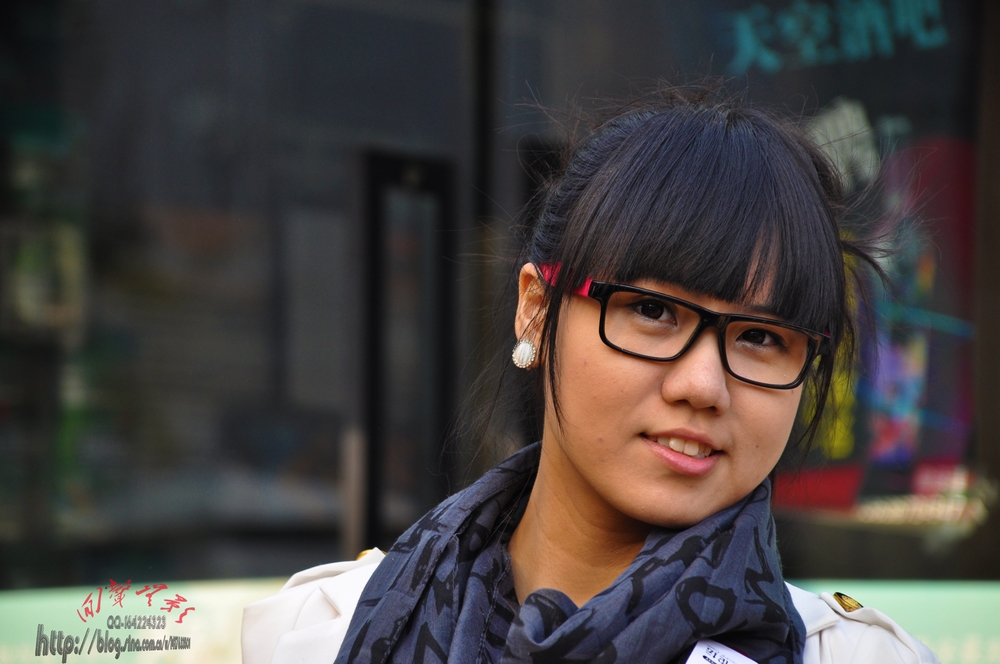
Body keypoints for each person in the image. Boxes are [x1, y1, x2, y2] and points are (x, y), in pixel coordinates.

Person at [242, 89, 940, 663]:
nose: (702, 386)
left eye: (761, 337)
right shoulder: (320, 634)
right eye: (652, 311)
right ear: (536, 310)